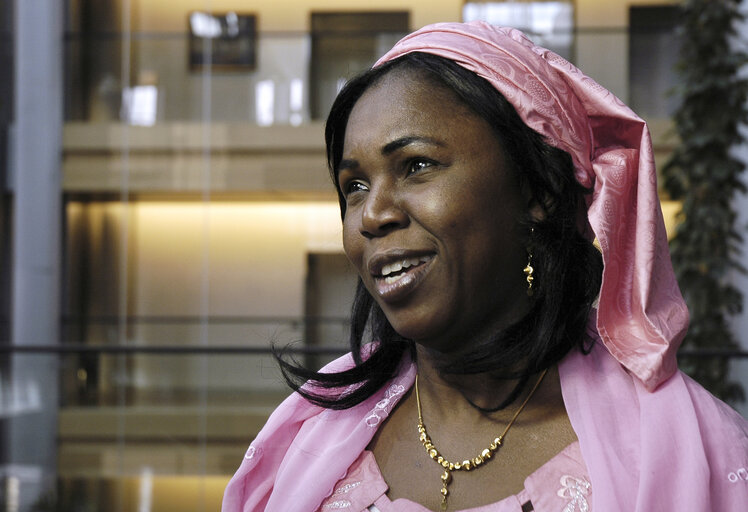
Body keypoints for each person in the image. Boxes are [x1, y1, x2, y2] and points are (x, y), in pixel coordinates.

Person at [223, 22, 748, 512]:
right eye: (353, 186)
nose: (373, 215)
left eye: (417, 165)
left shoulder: (698, 453)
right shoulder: (301, 439)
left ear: (536, 189)